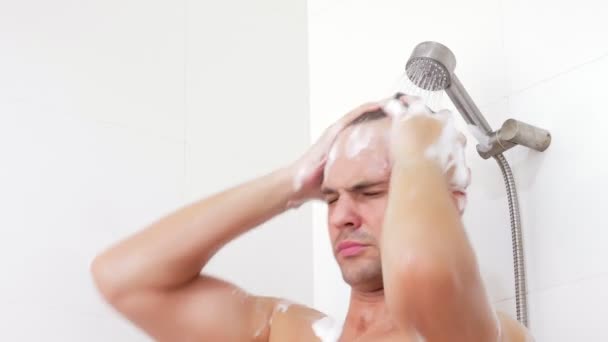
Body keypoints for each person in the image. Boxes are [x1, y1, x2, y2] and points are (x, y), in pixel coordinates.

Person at [91, 94, 532, 341]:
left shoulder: (478, 334)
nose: (341, 216)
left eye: (370, 191)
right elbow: (123, 278)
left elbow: (422, 270)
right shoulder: (287, 331)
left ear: (446, 199)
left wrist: (419, 151)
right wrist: (291, 181)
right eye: (330, 197)